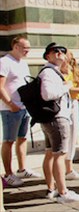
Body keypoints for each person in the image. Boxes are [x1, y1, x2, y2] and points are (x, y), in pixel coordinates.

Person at [40, 43, 79, 202]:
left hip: (50, 117)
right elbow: (47, 94)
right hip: (57, 117)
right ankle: (63, 192)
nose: (59, 53)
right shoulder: (49, 73)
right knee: (59, 154)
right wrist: (66, 86)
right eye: (55, 51)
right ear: (48, 56)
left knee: (51, 153)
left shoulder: (52, 71)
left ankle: (52, 188)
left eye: (62, 51)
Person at [0, 36, 41, 187]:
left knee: (22, 138)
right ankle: (8, 173)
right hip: (10, 109)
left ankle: (22, 168)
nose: (27, 51)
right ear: (15, 46)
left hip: (24, 107)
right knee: (9, 141)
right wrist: (10, 104)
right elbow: (0, 86)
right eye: (25, 48)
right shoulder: (4, 62)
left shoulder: (23, 63)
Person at [59, 51, 79, 180]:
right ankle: (60, 168)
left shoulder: (76, 73)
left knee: (73, 135)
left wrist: (65, 87)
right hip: (60, 106)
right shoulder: (55, 71)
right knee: (62, 137)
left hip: (73, 104)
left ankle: (69, 168)